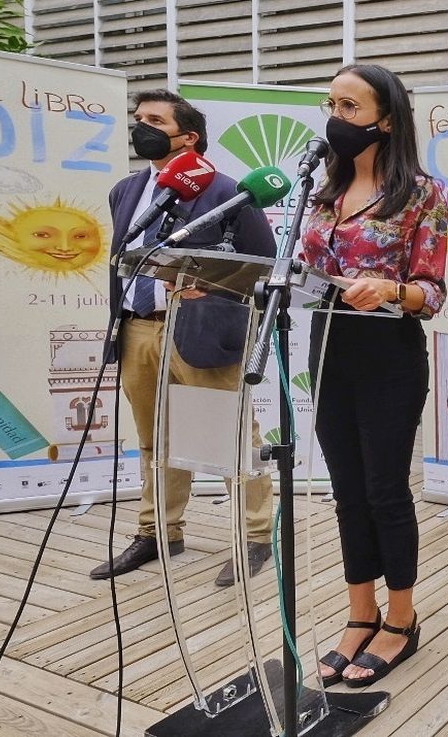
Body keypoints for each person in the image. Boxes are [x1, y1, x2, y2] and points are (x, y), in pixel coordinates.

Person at [92, 89, 277, 588]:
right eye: (137, 118)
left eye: (154, 119)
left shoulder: (228, 191)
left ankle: (256, 536)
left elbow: (261, 267)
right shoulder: (125, 191)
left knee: (229, 437)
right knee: (155, 439)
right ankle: (157, 532)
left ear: (188, 136)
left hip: (200, 331)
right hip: (138, 329)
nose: (141, 127)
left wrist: (207, 285)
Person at [300, 64, 448, 687]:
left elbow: (432, 293)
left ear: (386, 120)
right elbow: (305, 264)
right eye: (331, 103)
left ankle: (402, 619)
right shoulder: (321, 191)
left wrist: (391, 287)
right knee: (346, 489)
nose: (337, 117)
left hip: (387, 351)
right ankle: (360, 612)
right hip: (328, 345)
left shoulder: (420, 193)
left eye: (350, 106)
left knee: (385, 490)